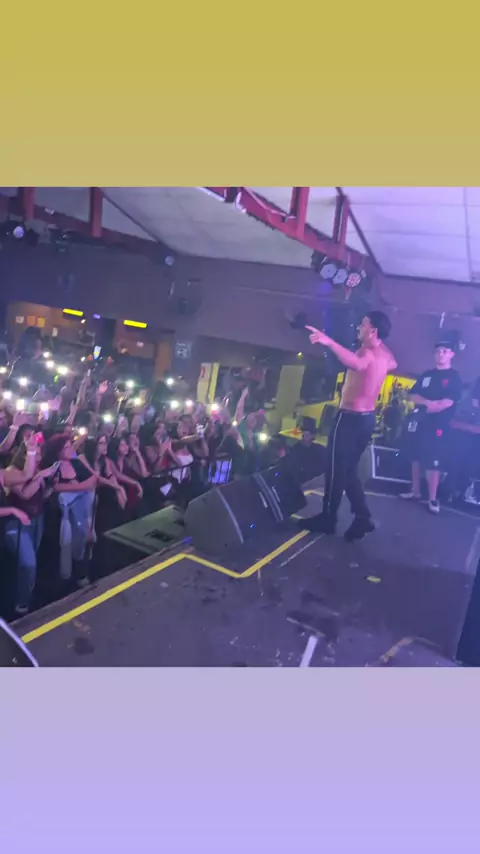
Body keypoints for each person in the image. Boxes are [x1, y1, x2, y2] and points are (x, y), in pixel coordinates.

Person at [304, 311, 397, 541]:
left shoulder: (367, 352)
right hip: (366, 419)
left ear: (372, 330)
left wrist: (328, 341)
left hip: (349, 418)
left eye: (363, 325)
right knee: (348, 470)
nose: (358, 327)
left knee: (335, 469)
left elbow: (356, 363)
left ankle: (328, 518)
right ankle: (362, 516)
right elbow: (393, 363)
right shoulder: (384, 354)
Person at [400, 338, 462, 514]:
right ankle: (415, 491)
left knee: (434, 461)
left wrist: (428, 405)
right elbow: (412, 395)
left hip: (439, 425)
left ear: (451, 354)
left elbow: (446, 403)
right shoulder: (427, 375)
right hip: (420, 422)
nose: (441, 354)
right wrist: (428, 403)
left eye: (445, 351)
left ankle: (432, 498)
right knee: (415, 456)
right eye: (438, 351)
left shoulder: (454, 378)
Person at [3, 443, 59, 615]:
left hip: (36, 520)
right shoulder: (12, 471)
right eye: (34, 454)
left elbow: (40, 497)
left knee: (29, 562)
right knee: (28, 563)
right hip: (16, 524)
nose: (38, 458)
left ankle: (26, 597)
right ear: (24, 455)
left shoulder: (37, 470)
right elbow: (25, 494)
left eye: (39, 454)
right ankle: (21, 604)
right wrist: (41, 476)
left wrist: (51, 487)